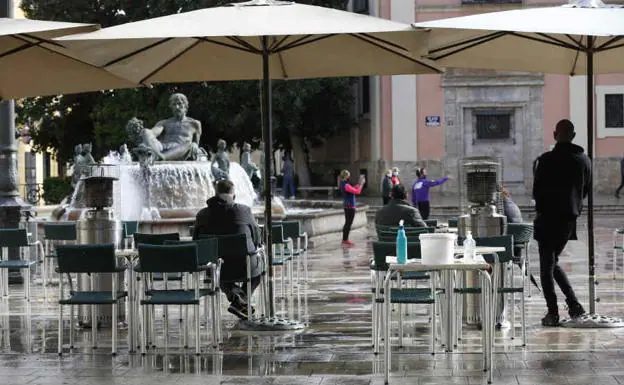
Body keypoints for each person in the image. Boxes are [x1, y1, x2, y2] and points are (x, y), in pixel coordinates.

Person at [533, 118, 589, 326]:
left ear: (555, 135)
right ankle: (574, 304)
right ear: (573, 136)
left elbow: (537, 191)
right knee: (553, 262)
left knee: (546, 267)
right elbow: (585, 190)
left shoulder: (545, 160)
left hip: (547, 219)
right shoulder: (584, 160)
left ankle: (553, 312)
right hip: (567, 220)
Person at [193, 180, 264, 320]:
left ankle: (237, 298)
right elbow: (257, 239)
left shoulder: (202, 215)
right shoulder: (245, 211)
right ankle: (241, 300)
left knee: (217, 269)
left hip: (217, 269)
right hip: (246, 266)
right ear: (234, 195)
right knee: (259, 271)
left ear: (216, 194)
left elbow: (196, 242)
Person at [138, 93, 203, 161]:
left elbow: (196, 144)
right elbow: (153, 133)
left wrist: (195, 145)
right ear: (171, 107)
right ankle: (157, 155)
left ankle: (162, 157)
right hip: (162, 148)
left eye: (179, 104)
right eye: (174, 105)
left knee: (189, 144)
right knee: (146, 131)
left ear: (185, 106)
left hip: (180, 150)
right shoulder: (164, 123)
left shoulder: (195, 123)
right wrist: (145, 133)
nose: (177, 107)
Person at [339, 170, 365, 247]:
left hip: (347, 206)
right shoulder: (346, 185)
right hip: (350, 206)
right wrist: (361, 185)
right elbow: (357, 192)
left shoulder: (343, 184)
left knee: (347, 223)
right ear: (346, 176)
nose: (349, 177)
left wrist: (358, 184)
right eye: (348, 175)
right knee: (348, 223)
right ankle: (345, 240)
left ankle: (345, 239)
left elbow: (352, 189)